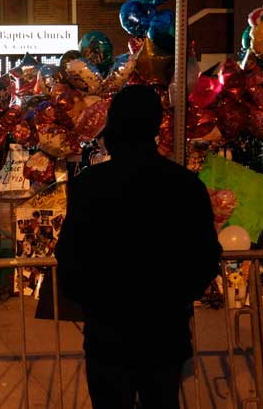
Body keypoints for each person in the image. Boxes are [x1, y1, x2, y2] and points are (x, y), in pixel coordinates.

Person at [56, 85, 222, 409]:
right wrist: (178, 295)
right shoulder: (185, 185)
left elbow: (70, 256)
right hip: (165, 332)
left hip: (108, 333)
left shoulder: (89, 185)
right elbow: (205, 257)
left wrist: (91, 299)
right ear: (155, 126)